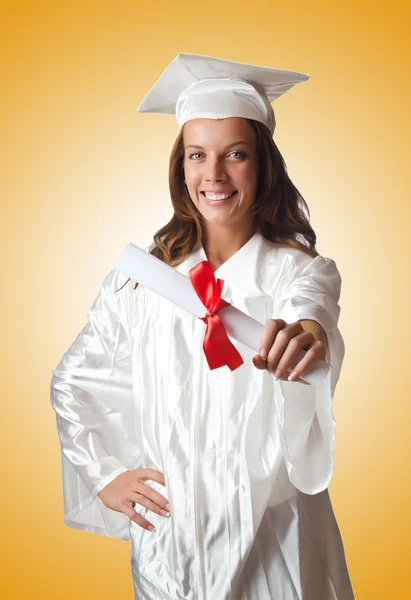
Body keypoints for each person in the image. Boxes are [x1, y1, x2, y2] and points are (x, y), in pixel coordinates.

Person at [50, 53, 355, 599]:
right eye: (198, 156)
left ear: (262, 166)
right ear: (181, 168)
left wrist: (306, 333)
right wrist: (102, 475)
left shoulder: (297, 272)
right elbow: (73, 381)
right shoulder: (145, 280)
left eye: (235, 155)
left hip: (274, 547)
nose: (213, 174)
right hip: (172, 553)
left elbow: (312, 310)